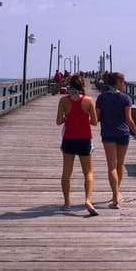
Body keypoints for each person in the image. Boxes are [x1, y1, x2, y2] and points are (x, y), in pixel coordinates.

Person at [95, 71, 136, 208]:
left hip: (108, 134)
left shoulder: (102, 98)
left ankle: (115, 196)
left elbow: (97, 119)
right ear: (117, 82)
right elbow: (129, 119)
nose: (124, 84)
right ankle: (117, 194)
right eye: (123, 81)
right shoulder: (125, 98)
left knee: (112, 166)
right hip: (123, 134)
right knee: (119, 165)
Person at [55, 72, 99, 215]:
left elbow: (58, 122)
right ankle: (88, 200)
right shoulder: (88, 101)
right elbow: (94, 122)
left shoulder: (63, 101)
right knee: (88, 172)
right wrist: (83, 119)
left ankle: (67, 203)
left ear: (70, 85)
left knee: (66, 172)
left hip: (69, 139)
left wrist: (68, 118)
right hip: (84, 139)